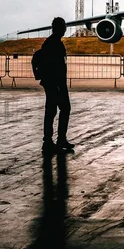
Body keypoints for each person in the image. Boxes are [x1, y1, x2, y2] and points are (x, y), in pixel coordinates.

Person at [40, 17, 74, 155]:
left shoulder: (51, 43)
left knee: (52, 111)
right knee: (61, 109)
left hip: (54, 84)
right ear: (60, 28)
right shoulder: (54, 44)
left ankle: (53, 140)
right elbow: (54, 67)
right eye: (64, 26)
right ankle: (53, 140)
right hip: (56, 84)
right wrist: (59, 85)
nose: (66, 29)